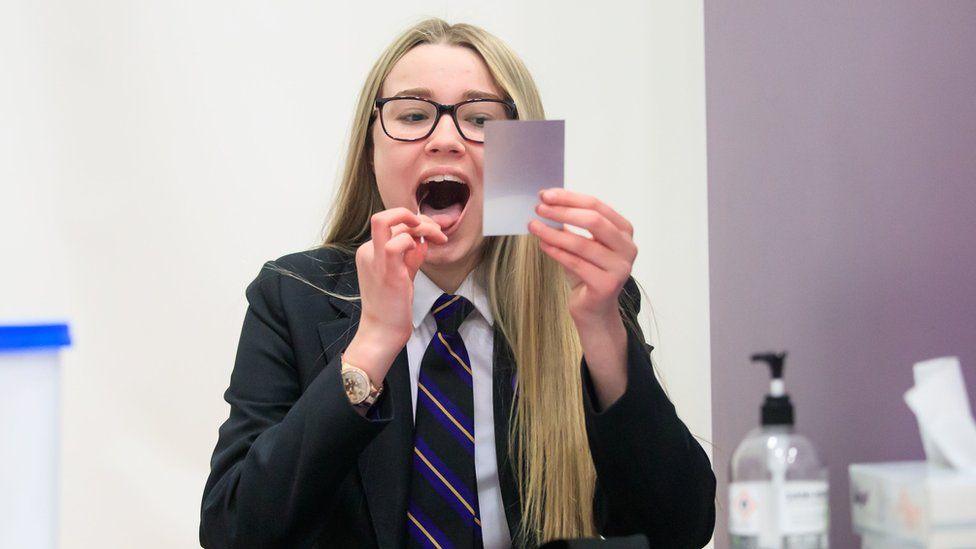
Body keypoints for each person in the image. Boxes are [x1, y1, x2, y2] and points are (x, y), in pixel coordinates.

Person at [200, 18, 715, 549]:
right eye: (414, 115)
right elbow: (233, 532)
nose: (445, 140)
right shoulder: (293, 297)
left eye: (480, 120)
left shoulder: (582, 299)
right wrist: (371, 346)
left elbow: (679, 530)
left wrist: (605, 337)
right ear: (371, 153)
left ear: (522, 158)